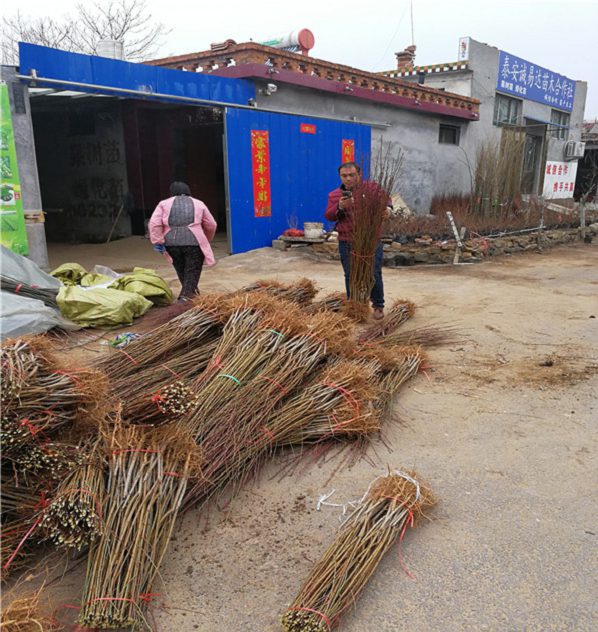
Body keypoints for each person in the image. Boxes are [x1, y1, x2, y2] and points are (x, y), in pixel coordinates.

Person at [324, 162, 391, 320]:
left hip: (371, 239)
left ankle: (378, 305)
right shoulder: (335, 195)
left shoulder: (372, 188)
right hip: (347, 240)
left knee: (373, 272)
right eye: (344, 176)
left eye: (352, 175)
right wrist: (339, 207)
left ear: (359, 174)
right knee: (350, 274)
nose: (348, 178)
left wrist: (388, 210)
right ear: (340, 177)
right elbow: (328, 215)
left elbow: (387, 200)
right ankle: (354, 305)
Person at [148, 181, 217, 302]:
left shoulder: (163, 204)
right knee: (192, 271)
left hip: (171, 243)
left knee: (182, 271)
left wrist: (157, 240)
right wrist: (205, 239)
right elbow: (211, 224)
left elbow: (154, 224)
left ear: (172, 192)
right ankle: (184, 299)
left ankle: (192, 295)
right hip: (194, 242)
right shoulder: (199, 203)